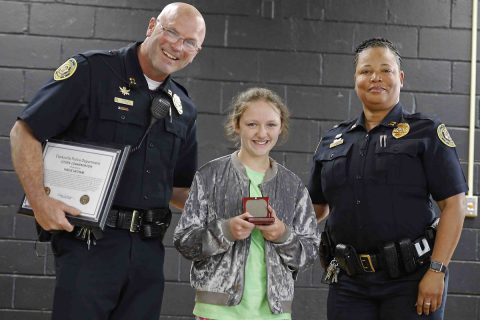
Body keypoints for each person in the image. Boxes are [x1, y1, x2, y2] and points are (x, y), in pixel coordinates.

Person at [9, 3, 206, 319]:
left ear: (196, 51)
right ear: (152, 25)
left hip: (147, 251)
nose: (177, 46)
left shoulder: (184, 108)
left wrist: (225, 202)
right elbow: (24, 133)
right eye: (171, 32)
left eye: (189, 43)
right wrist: (40, 202)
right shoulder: (92, 71)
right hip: (89, 243)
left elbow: (178, 190)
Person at [308, 38, 467, 320]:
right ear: (356, 79)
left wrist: (437, 271)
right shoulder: (334, 139)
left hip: (412, 279)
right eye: (366, 71)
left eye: (385, 70)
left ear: (401, 78)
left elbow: (454, 204)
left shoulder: (426, 132)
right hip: (349, 283)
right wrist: (279, 223)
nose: (375, 77)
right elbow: (317, 208)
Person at [173, 87, 320, 320]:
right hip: (217, 310)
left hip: (274, 313)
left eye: (271, 124)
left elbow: (309, 253)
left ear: (281, 127)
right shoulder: (209, 176)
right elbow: (184, 242)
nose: (262, 133)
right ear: (237, 125)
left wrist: (282, 234)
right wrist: (225, 231)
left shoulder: (293, 187)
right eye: (252, 124)